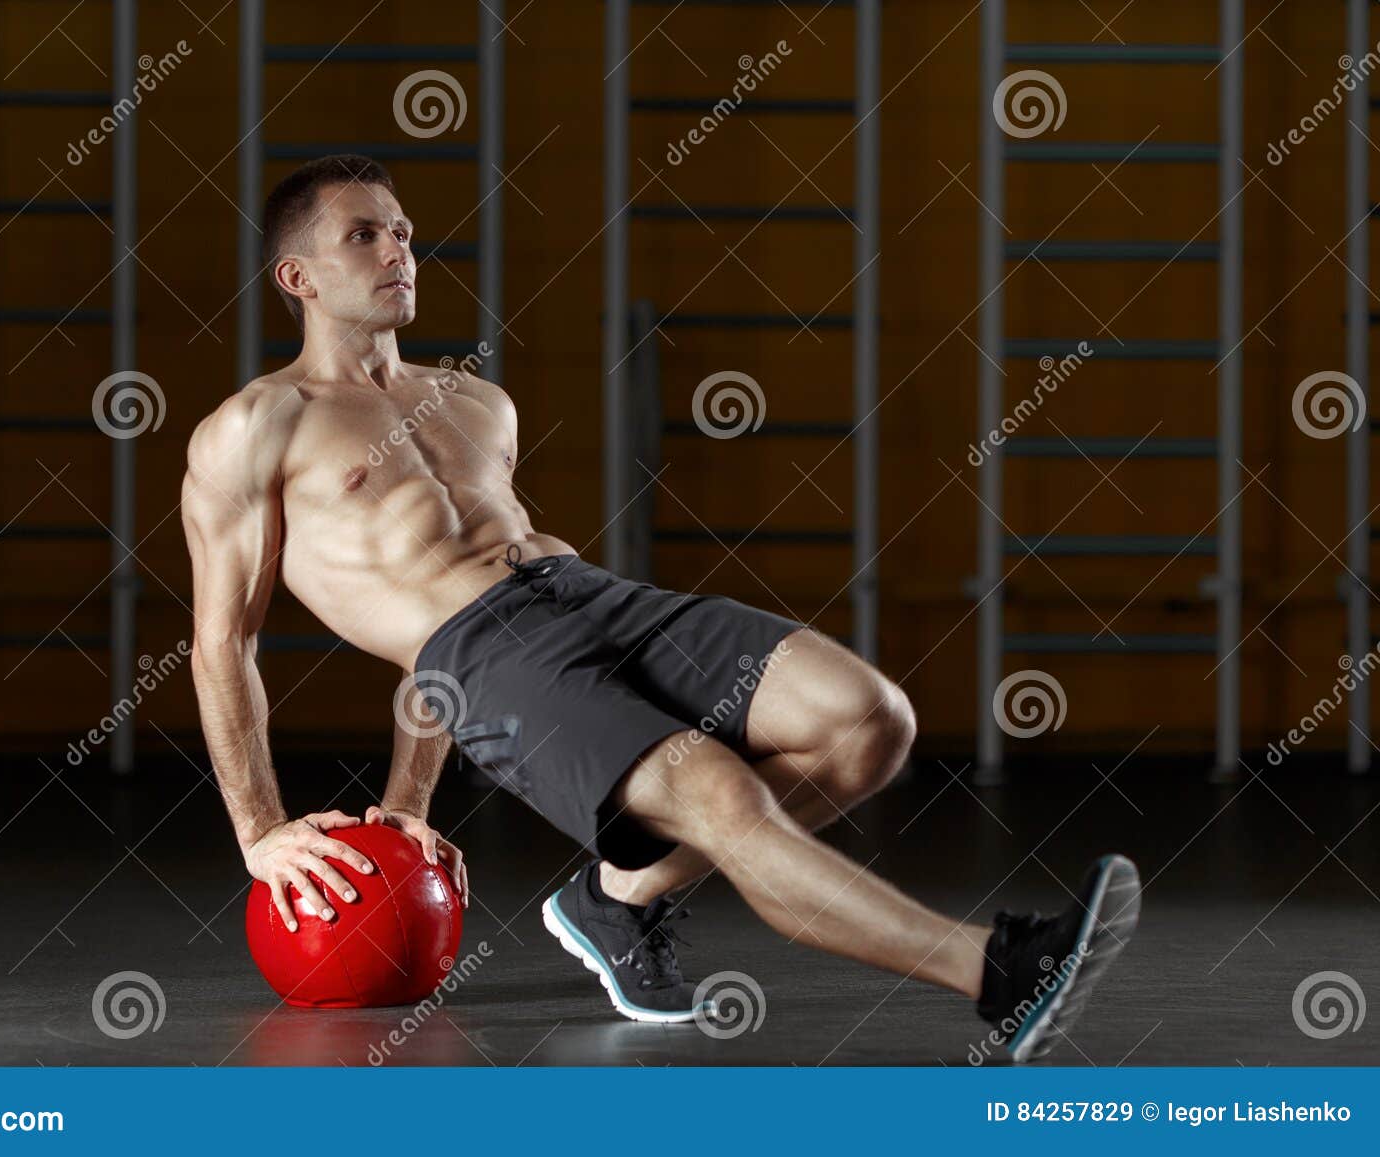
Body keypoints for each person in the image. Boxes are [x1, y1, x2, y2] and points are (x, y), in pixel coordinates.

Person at [181, 153, 1141, 1061]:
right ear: (297, 277)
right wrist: (260, 829)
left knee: (868, 724)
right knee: (723, 794)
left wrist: (406, 805)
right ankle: (1003, 970)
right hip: (488, 657)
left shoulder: (478, 402)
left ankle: (620, 895)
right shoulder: (255, 428)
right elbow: (225, 643)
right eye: (364, 236)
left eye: (404, 232)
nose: (399, 251)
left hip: (589, 594)